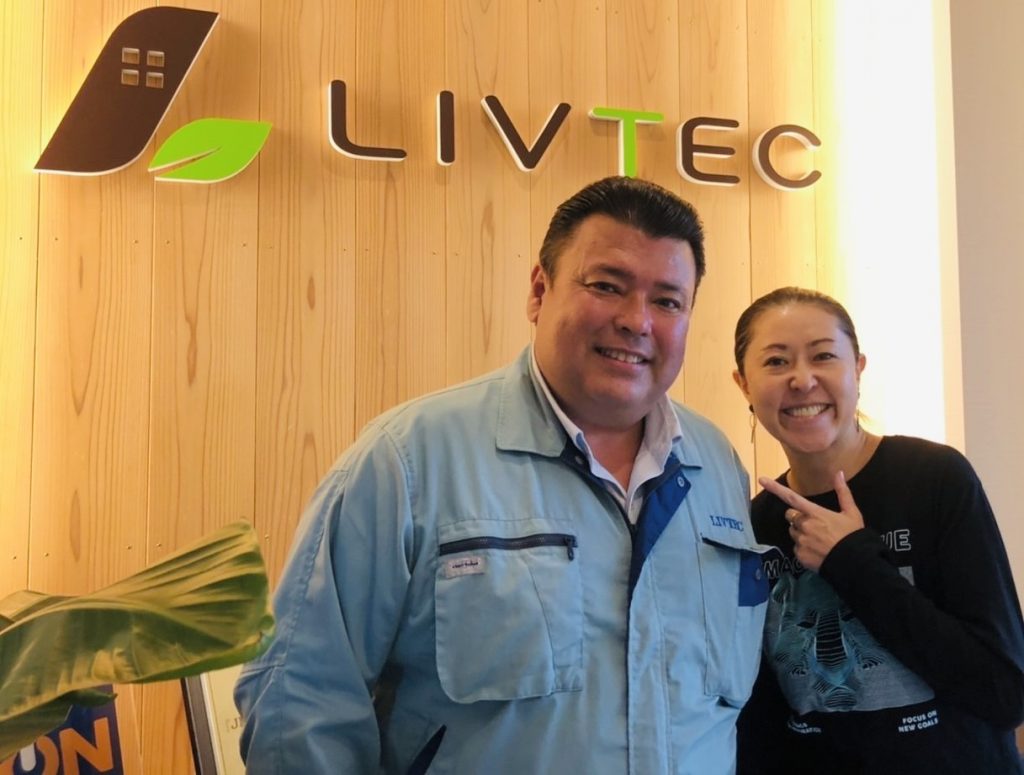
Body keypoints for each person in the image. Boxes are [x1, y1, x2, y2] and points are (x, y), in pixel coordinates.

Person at [234, 176, 770, 774]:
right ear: (539, 291)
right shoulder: (409, 460)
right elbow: (300, 702)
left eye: (667, 301)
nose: (636, 321)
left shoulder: (715, 464)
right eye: (607, 286)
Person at [731, 286, 1024, 774]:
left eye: (823, 356)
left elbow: (1004, 692)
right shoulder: (755, 523)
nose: (802, 380)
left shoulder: (934, 478)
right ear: (743, 384)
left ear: (858, 369)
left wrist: (852, 560)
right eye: (777, 362)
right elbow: (765, 716)